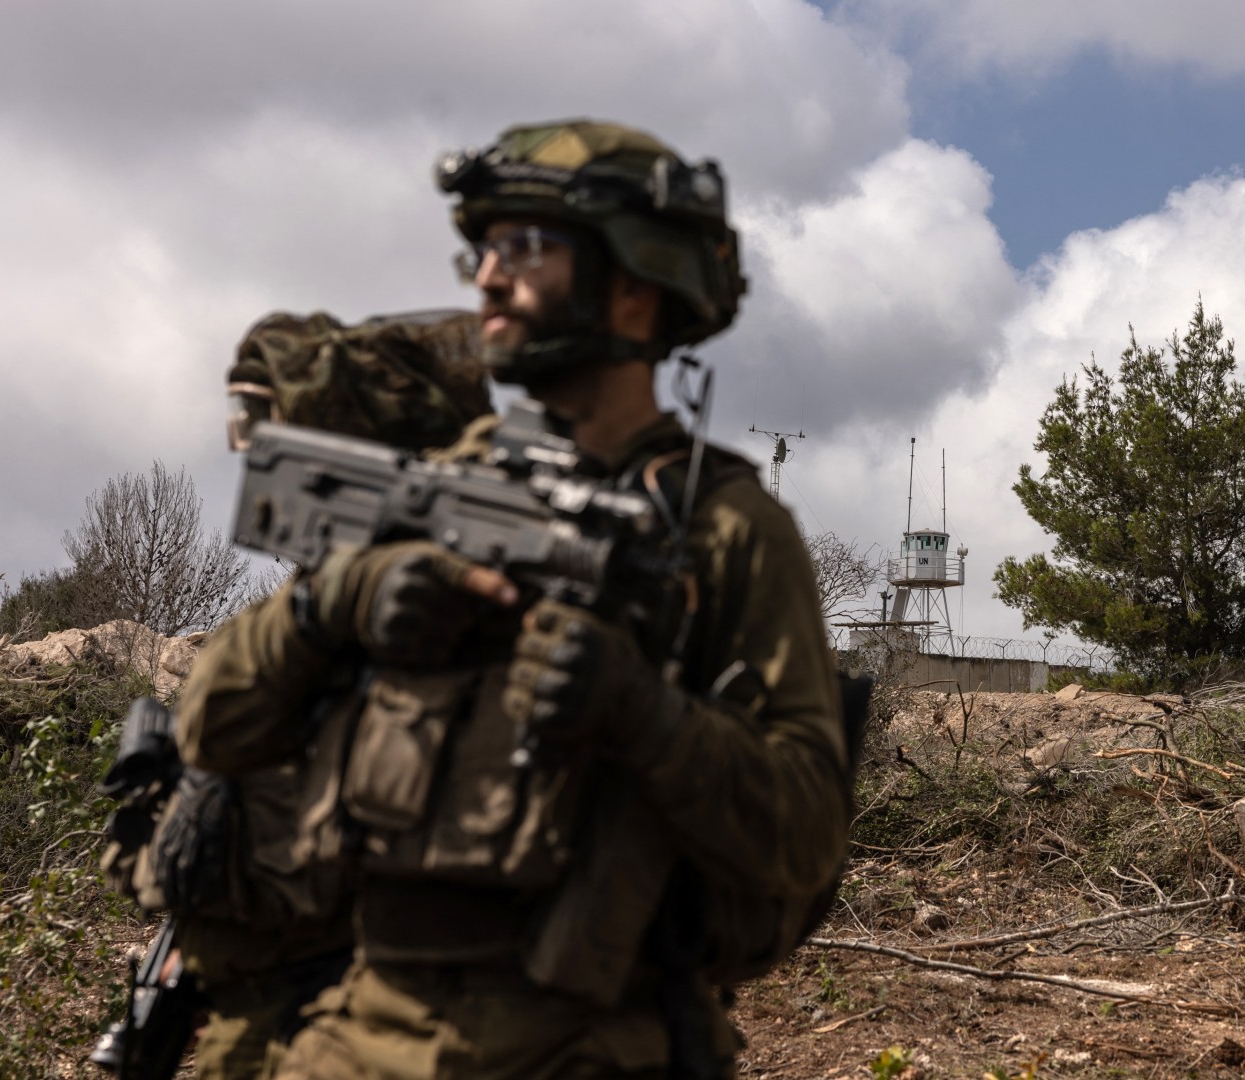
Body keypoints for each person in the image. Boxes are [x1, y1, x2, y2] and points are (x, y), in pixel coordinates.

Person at [173, 120, 850, 1080]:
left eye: (527, 247)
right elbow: (211, 728)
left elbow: (808, 834)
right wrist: (338, 603)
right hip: (359, 1032)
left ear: (634, 282)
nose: (488, 279)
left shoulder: (727, 530)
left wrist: (644, 715)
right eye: (483, 250)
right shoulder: (438, 484)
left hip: (594, 1045)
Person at [98, 310, 498, 1080]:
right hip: (256, 1011)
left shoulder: (436, 624)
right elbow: (212, 762)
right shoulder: (304, 616)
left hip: (377, 1016)